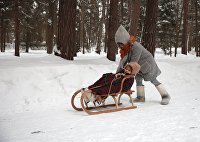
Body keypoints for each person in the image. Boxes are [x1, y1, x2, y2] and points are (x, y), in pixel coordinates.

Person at [115, 25, 171, 105]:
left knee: (153, 80)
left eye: (121, 44)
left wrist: (127, 70)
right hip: (138, 67)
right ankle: (140, 97)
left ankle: (165, 95)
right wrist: (117, 73)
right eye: (118, 44)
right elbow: (123, 61)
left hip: (147, 64)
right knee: (138, 79)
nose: (120, 46)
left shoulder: (136, 47)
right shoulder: (126, 48)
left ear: (125, 41)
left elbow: (134, 62)